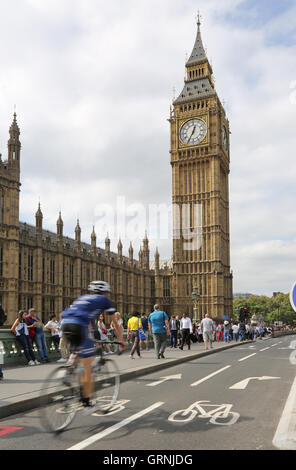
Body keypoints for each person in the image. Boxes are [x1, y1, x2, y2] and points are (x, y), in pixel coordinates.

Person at [61, 280, 127, 409]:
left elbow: (88, 323)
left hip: (65, 325)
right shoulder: (104, 300)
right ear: (104, 293)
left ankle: (68, 371)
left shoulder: (83, 298)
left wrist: (90, 338)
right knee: (88, 368)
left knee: (77, 353)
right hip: (79, 326)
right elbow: (116, 323)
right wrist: (121, 340)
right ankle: (87, 402)